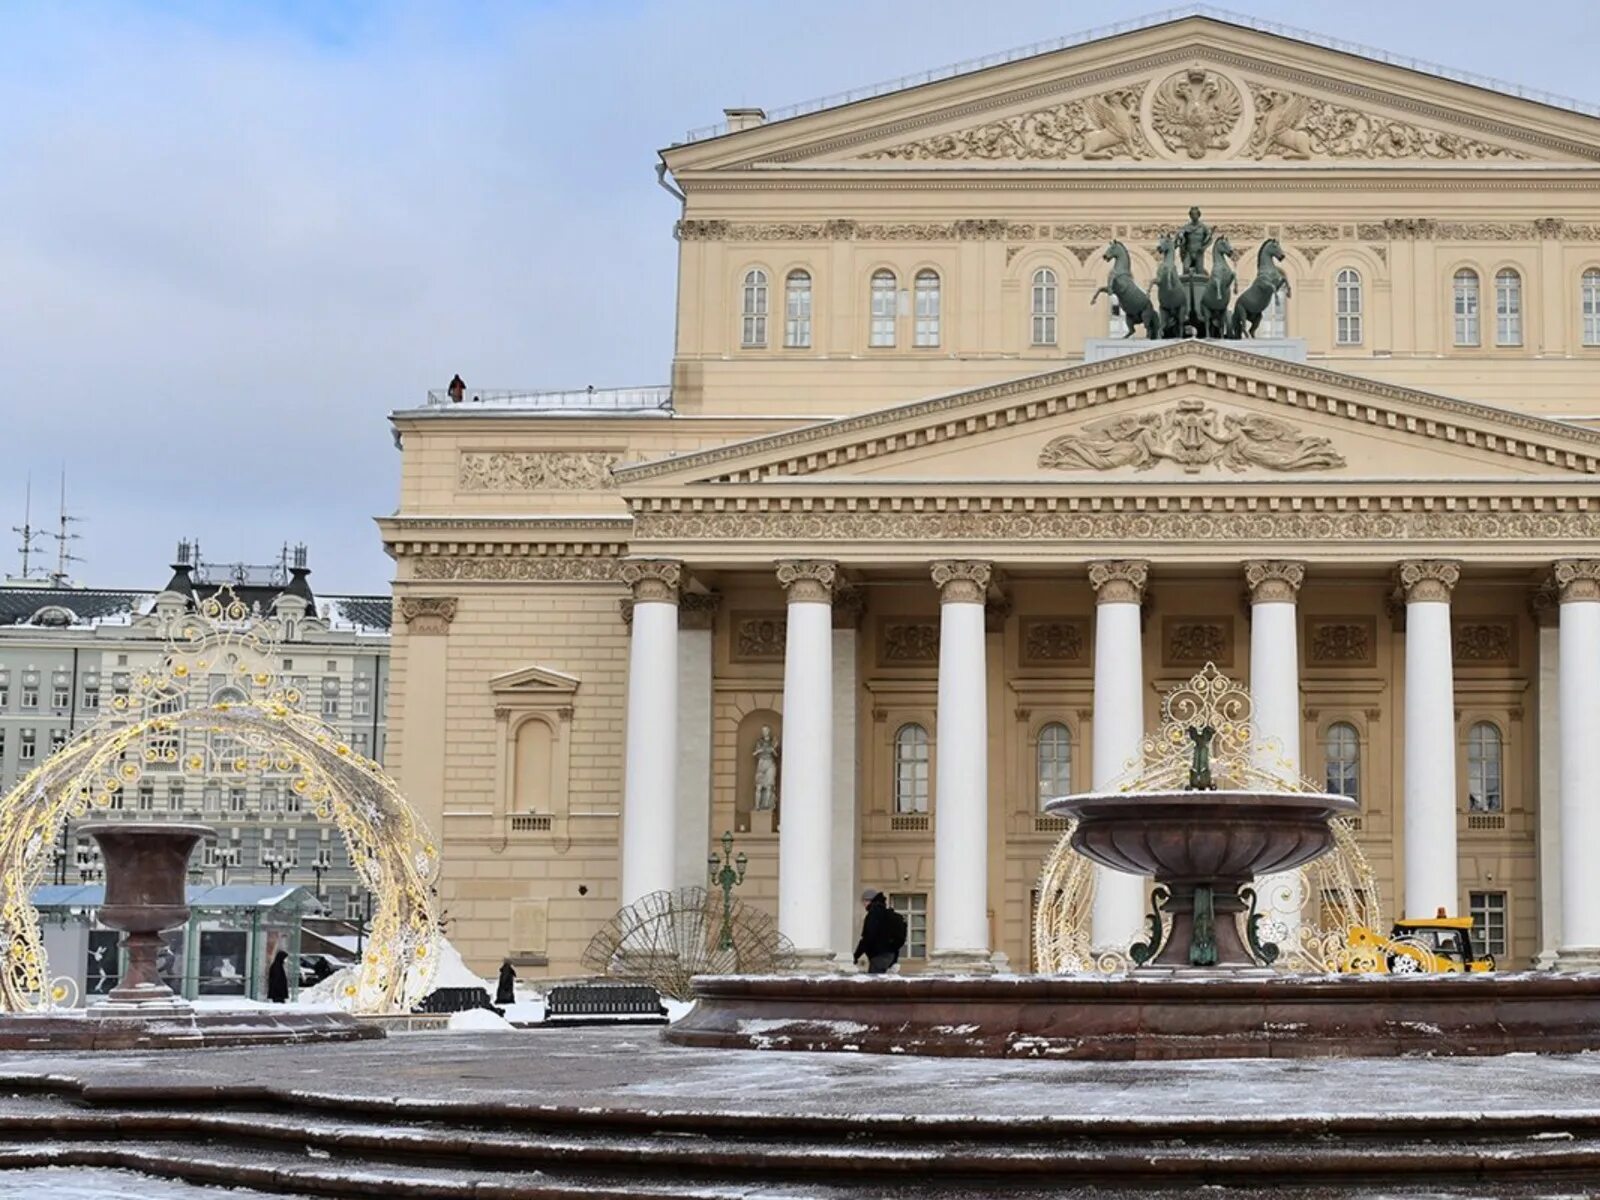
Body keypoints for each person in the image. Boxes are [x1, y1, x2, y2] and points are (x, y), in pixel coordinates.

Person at [853, 889, 907, 974]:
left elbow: (867, 937)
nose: (863, 905)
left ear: (868, 901)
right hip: (891, 955)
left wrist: (856, 955)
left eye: (864, 901)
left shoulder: (874, 914)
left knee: (875, 983)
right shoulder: (886, 913)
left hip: (878, 955)